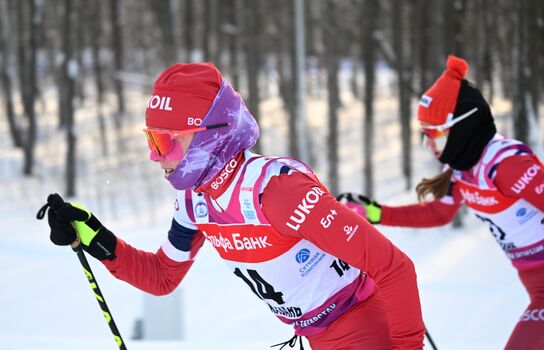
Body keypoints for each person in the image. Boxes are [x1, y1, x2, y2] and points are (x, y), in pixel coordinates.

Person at [38, 63, 425, 349]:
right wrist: (93, 235)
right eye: (151, 142)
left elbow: (394, 267)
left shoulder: (276, 191)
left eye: (164, 141)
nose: (156, 157)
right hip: (315, 335)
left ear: (209, 136)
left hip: (364, 325)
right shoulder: (194, 202)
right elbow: (160, 277)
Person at [338, 56, 544, 350]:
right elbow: (439, 213)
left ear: (462, 127)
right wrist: (374, 213)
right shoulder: (462, 169)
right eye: (423, 134)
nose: (427, 144)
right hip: (538, 285)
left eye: (433, 133)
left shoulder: (506, 166)